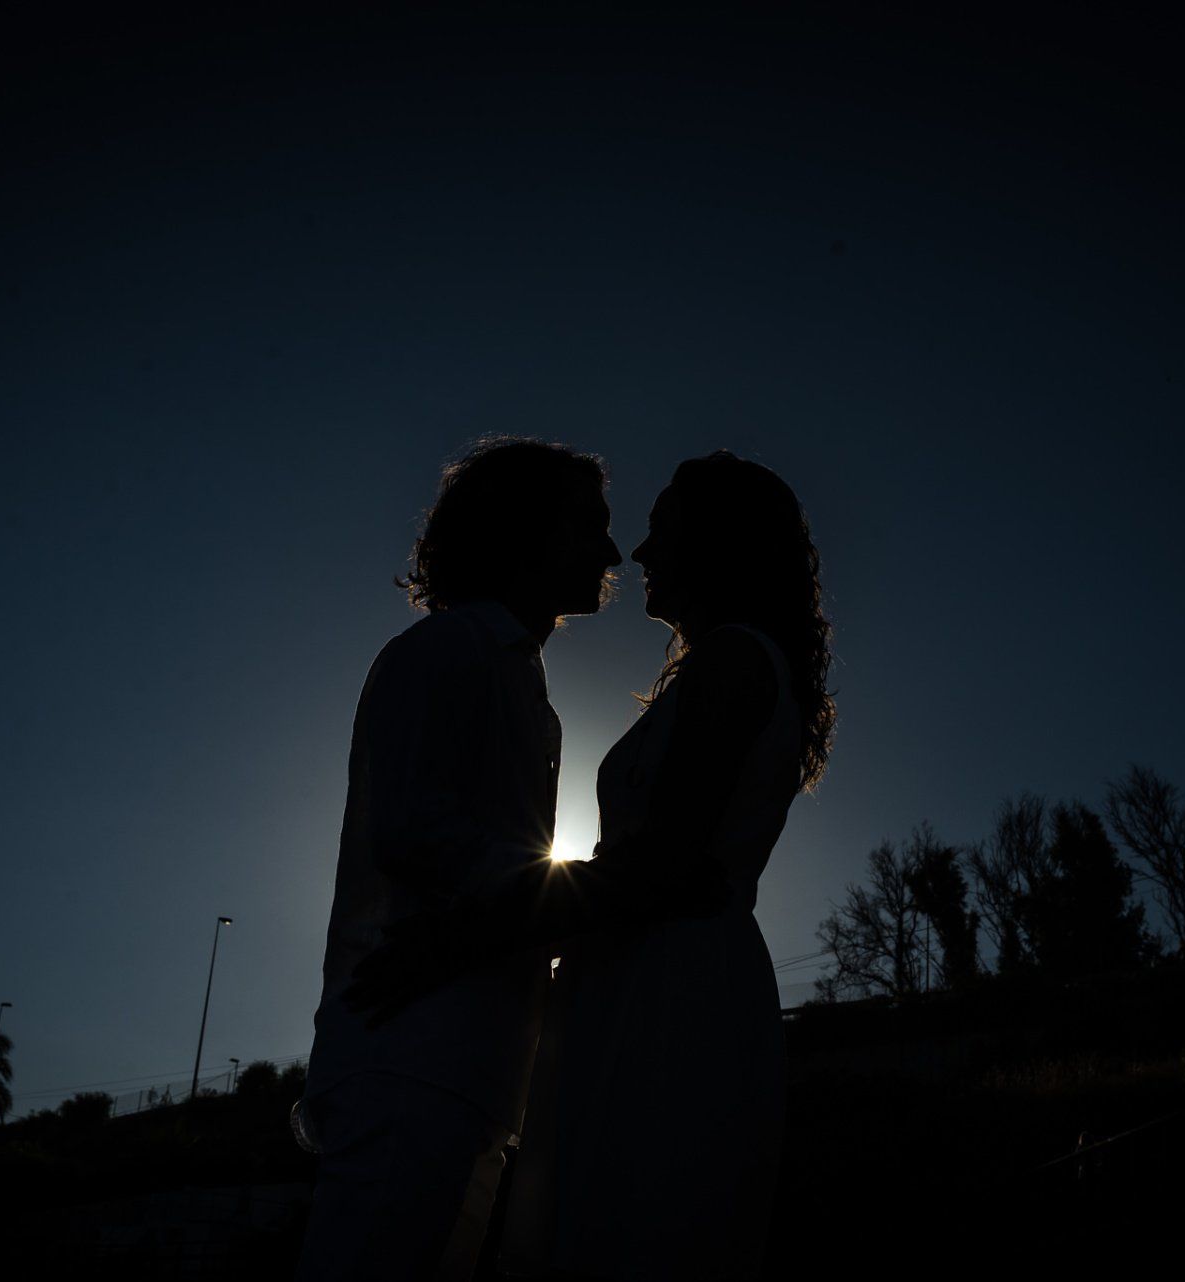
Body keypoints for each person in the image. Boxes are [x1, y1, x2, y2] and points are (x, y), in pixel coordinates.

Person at [351, 450, 836, 1280]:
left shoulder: (734, 661)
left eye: (661, 531)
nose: (636, 553)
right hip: (635, 973)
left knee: (635, 1221)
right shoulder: (723, 665)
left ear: (717, 545)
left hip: (673, 984)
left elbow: (659, 867)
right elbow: (647, 867)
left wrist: (458, 937)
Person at [292, 436, 623, 1282]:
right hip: (412, 1050)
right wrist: (581, 895)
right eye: (591, 526)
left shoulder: (520, 684)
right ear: (528, 530)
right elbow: (414, 829)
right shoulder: (445, 653)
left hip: (474, 1062)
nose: (613, 553)